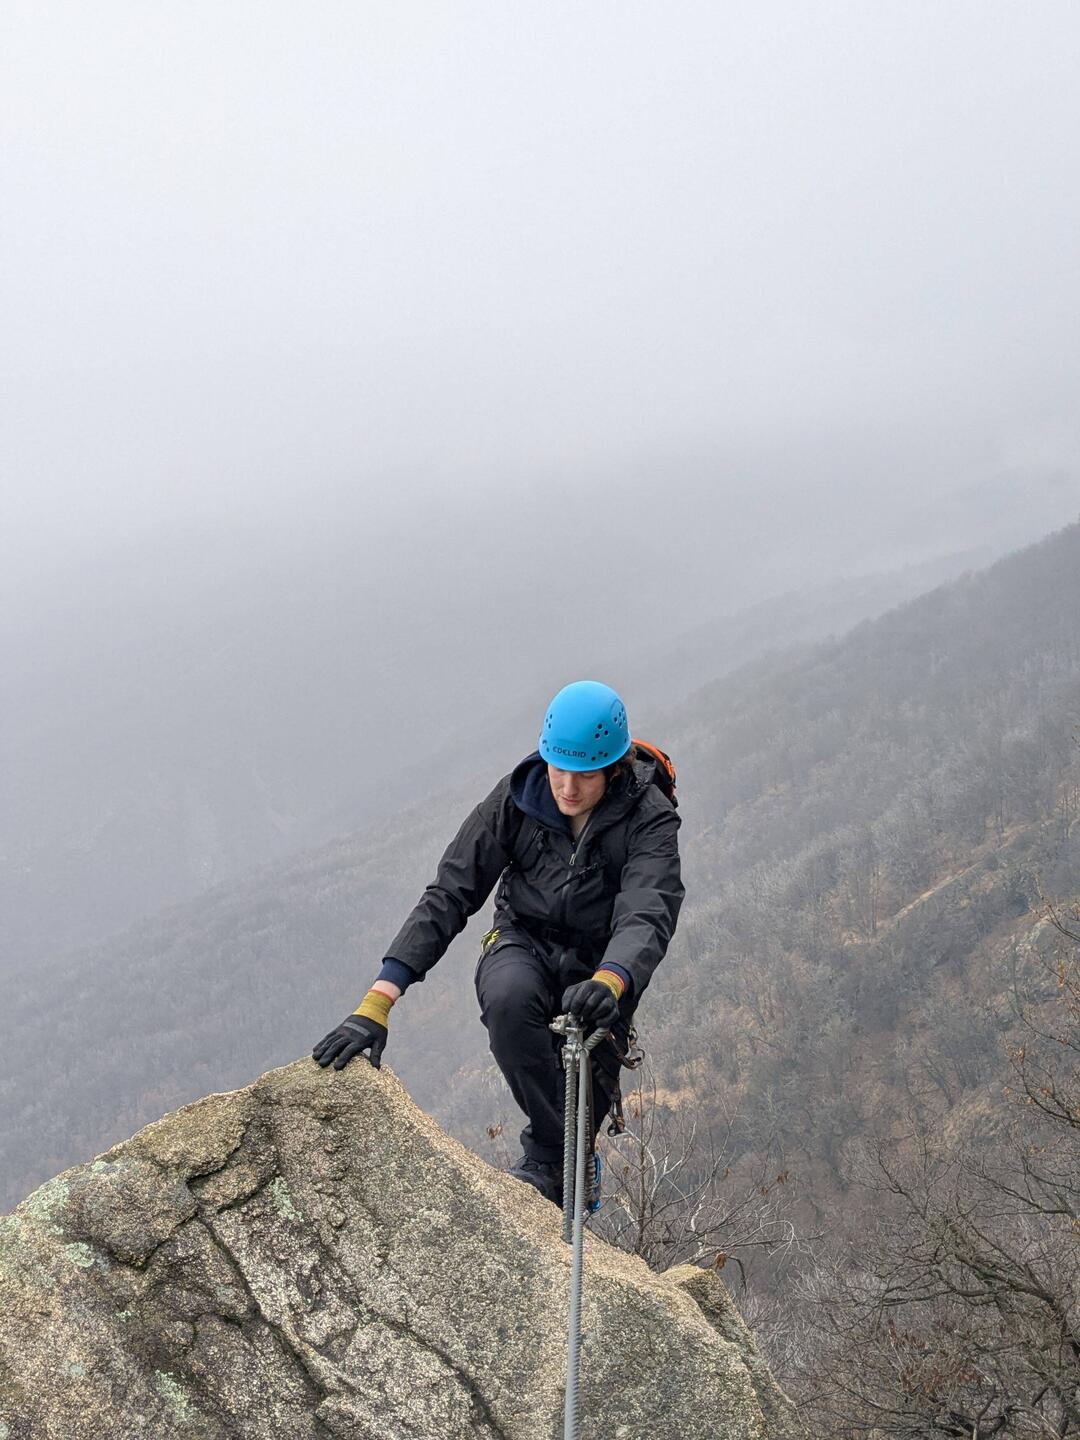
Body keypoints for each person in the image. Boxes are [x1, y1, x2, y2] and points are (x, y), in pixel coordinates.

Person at [312, 679, 684, 1207]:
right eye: (558, 769)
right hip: (522, 940)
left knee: (584, 1100)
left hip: (602, 966)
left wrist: (612, 980)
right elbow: (450, 892)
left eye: (585, 775)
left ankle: (563, 1163)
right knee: (509, 1000)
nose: (568, 788)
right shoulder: (518, 798)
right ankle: (554, 1160)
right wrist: (378, 1000)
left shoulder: (648, 817)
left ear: (614, 768)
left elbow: (648, 909)